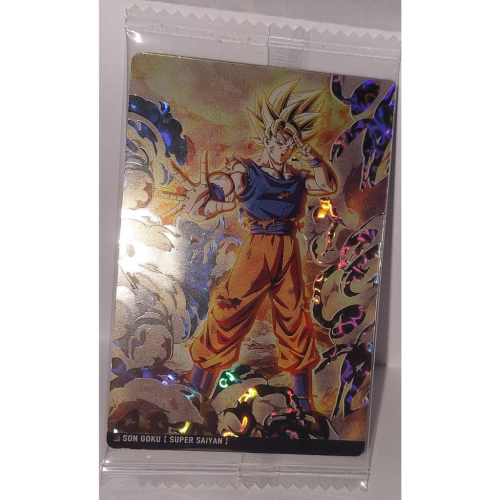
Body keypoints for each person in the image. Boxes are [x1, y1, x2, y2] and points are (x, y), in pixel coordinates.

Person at [160, 80, 338, 411]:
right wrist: (211, 195)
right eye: (280, 139)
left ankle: (304, 406)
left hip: (287, 251)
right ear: (268, 137)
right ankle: (194, 394)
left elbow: (328, 184)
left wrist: (309, 153)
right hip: (258, 250)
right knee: (228, 312)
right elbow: (227, 184)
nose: (284, 146)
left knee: (295, 322)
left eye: (291, 141)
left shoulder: (297, 178)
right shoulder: (248, 170)